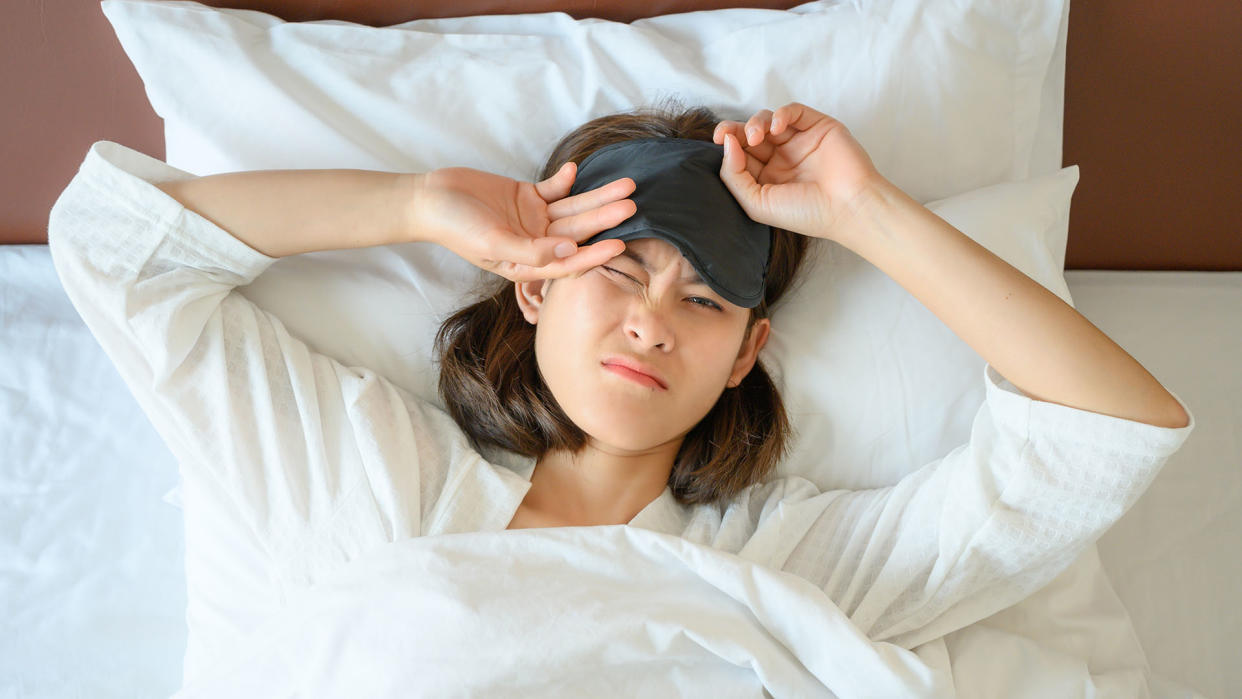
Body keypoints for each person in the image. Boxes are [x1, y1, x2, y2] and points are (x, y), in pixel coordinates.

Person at [47, 99, 1193, 660]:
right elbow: (117, 249)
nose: (652, 323)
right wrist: (408, 205)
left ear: (746, 356)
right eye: (619, 272)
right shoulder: (357, 470)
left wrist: (866, 216)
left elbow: (1107, 427)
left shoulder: (788, 565)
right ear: (535, 286)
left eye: (704, 301)